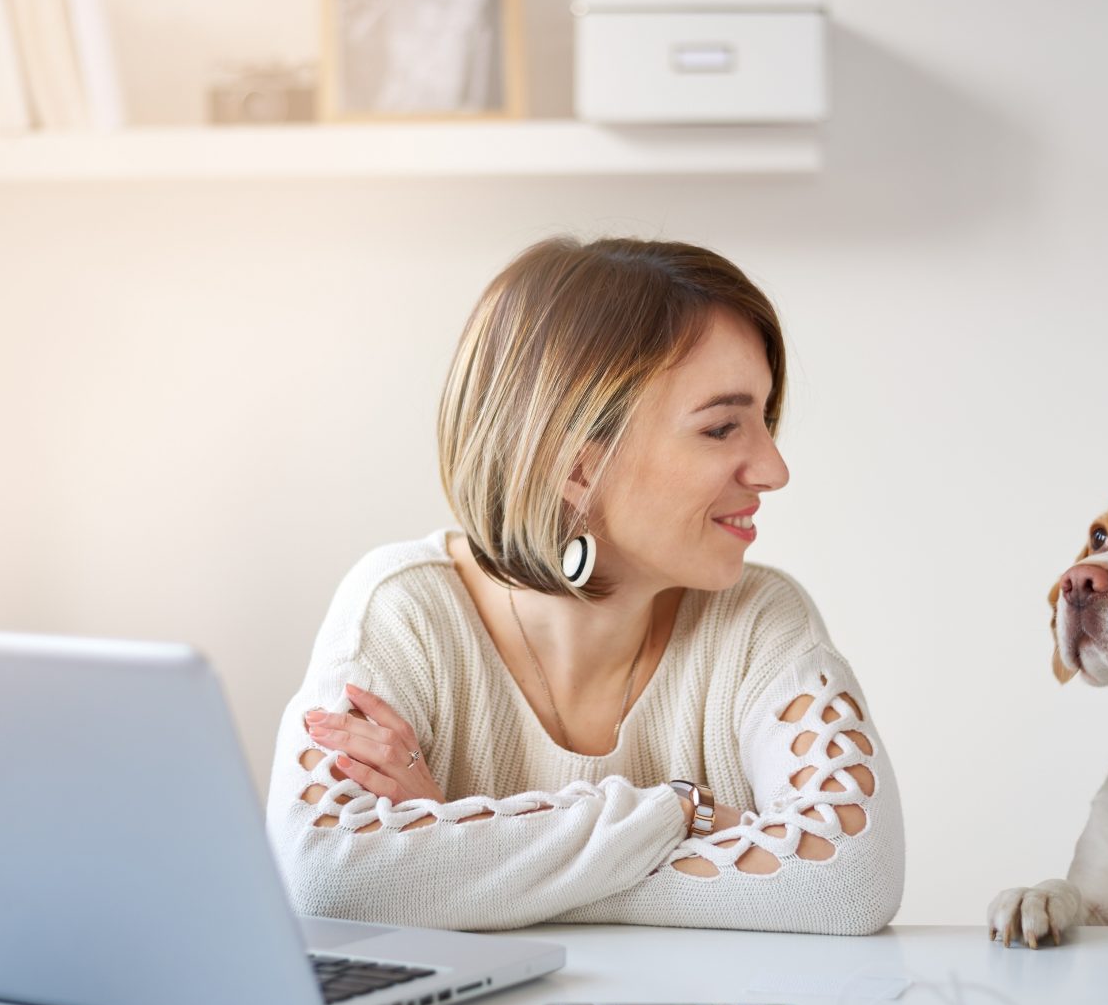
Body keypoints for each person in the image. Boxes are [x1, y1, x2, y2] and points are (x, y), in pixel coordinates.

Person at [265, 237, 904, 935]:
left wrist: (461, 851)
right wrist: (684, 813)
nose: (774, 470)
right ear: (575, 468)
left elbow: (850, 881)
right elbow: (327, 876)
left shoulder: (760, 620)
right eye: (722, 428)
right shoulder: (403, 610)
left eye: (764, 419)